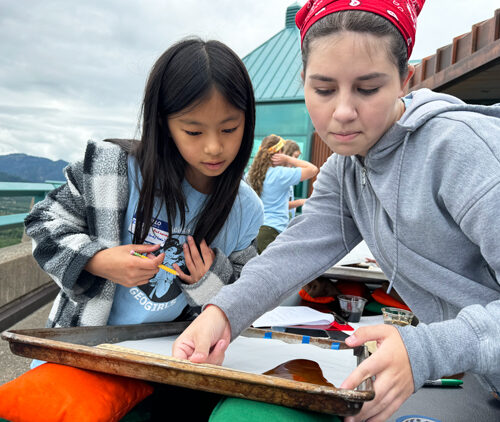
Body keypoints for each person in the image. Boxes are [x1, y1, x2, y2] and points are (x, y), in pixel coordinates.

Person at [172, 1, 500, 421]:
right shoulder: (346, 168)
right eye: (324, 90)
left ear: (405, 79)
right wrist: (223, 311)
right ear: (303, 81)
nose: (343, 112)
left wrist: (426, 350)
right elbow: (293, 253)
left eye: (368, 89)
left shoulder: (461, 151)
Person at [24, 36, 263, 418]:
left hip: (168, 368)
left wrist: (208, 281)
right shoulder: (113, 168)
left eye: (230, 128)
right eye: (194, 131)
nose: (214, 148)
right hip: (83, 352)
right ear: (163, 124)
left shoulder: (244, 208)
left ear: (247, 122)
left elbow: (250, 289)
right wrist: (99, 260)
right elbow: (42, 222)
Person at [247, 134, 318, 253]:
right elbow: (313, 170)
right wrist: (288, 159)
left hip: (254, 232)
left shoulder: (250, 174)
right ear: (279, 152)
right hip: (273, 231)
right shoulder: (279, 174)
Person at [282, 139, 308, 219]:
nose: (296, 161)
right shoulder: (280, 175)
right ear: (287, 154)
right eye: (295, 157)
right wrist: (300, 202)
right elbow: (279, 205)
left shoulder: (288, 174)